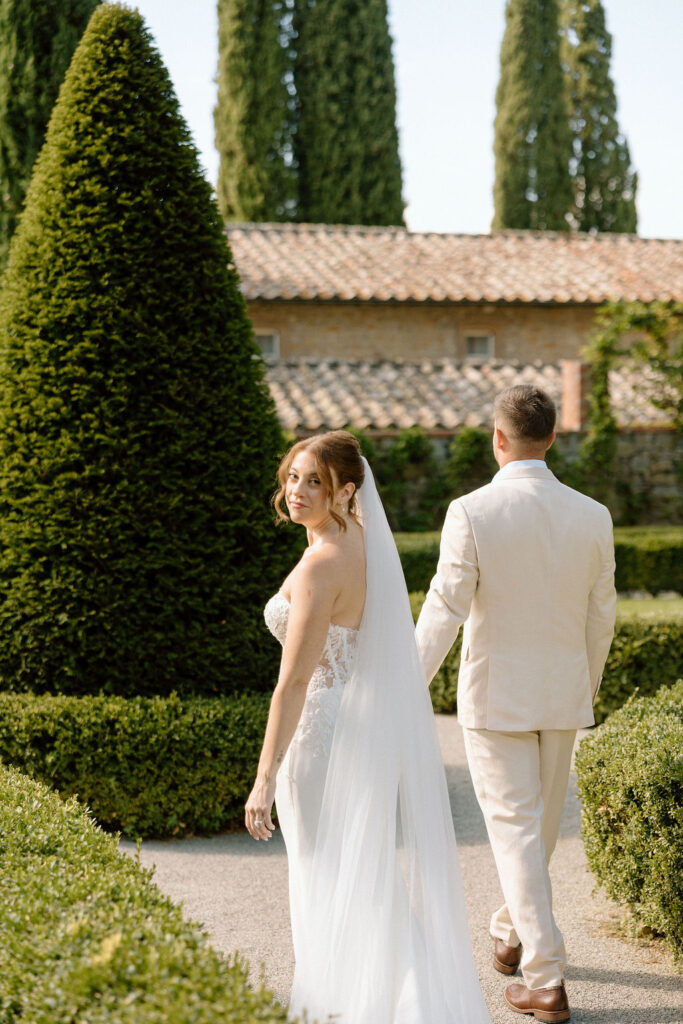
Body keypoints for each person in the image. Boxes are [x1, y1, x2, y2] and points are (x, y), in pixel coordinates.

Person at [245, 430, 491, 1024]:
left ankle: (347, 1006)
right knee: (365, 878)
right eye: (293, 476)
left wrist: (263, 777)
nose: (297, 490)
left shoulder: (319, 568)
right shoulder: (361, 541)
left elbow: (293, 684)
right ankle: (399, 1001)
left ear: (345, 490)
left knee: (324, 880)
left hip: (319, 739)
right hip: (355, 733)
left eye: (314, 481)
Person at [416, 385, 617, 1023]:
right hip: (563, 694)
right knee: (536, 834)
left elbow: (445, 608)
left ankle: (546, 977)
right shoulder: (594, 514)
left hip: (494, 696)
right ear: (552, 437)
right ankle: (510, 931)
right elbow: (601, 618)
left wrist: (409, 682)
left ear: (497, 438)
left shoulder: (469, 511)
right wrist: (583, 686)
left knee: (515, 835)